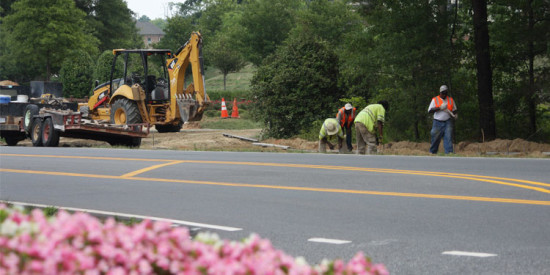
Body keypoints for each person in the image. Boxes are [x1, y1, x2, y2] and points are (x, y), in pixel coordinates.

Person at [428, 85, 457, 154]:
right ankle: (433, 152)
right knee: (435, 138)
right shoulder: (435, 100)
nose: (444, 95)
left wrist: (455, 115)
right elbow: (430, 110)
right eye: (443, 93)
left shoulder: (450, 100)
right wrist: (439, 108)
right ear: (440, 93)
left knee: (448, 137)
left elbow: (454, 109)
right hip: (437, 122)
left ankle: (449, 152)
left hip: (447, 121)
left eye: (446, 93)